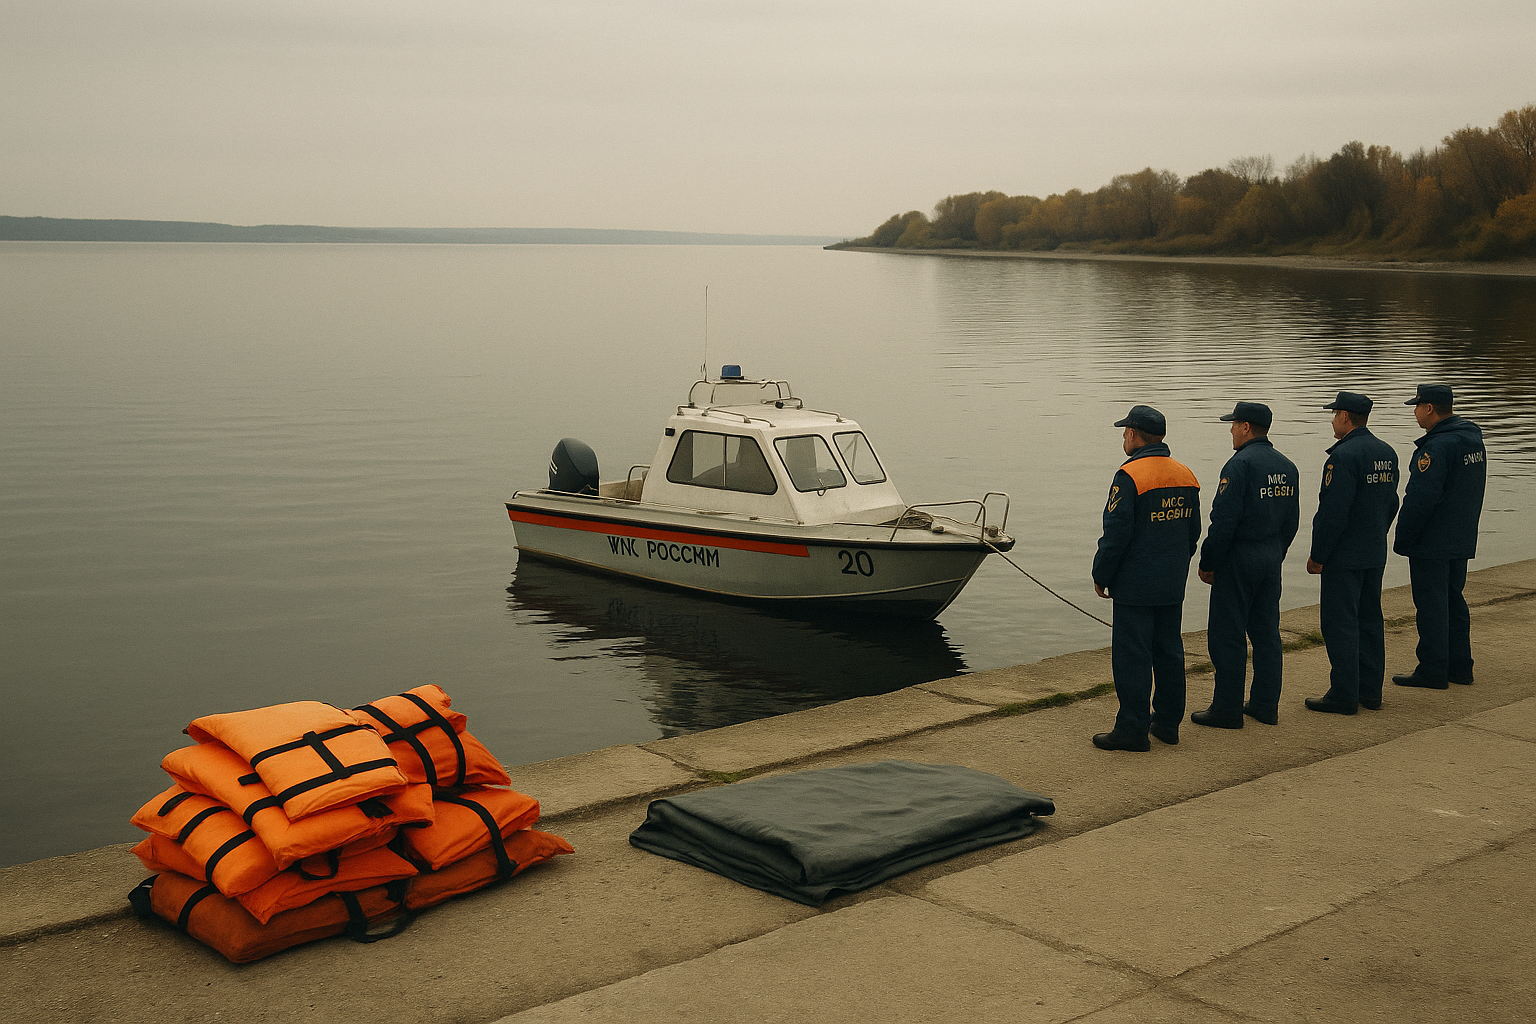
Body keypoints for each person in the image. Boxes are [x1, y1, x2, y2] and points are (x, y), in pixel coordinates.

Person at [1091, 404, 1201, 751]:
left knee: (1133, 657)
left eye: (1125, 432)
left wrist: (1101, 574)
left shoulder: (1130, 476)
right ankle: (1167, 724)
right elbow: (1193, 532)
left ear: (1133, 434)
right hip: (1172, 582)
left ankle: (1132, 729)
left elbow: (1116, 534)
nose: (1123, 437)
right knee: (1169, 652)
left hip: (1135, 585)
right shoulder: (1185, 474)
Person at [1192, 402, 1300, 729]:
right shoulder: (1288, 466)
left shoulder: (1239, 465)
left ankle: (1227, 709)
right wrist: (1276, 553)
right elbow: (1291, 521)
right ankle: (1266, 705)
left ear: (1246, 427)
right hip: (1270, 556)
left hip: (1239, 559)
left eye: (1234, 424)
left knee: (1228, 635)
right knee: (1267, 634)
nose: (1231, 430)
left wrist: (1209, 562)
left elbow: (1223, 522)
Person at [1304, 392, 1399, 714]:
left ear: (1345, 416)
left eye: (1334, 414)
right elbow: (1391, 502)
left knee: (1341, 623)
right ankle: (1370, 691)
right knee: (1370, 620)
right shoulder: (1386, 452)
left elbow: (1333, 513)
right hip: (1374, 550)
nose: (1332, 420)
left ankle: (1344, 694)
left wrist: (1318, 555)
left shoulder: (1342, 457)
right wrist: (1376, 533)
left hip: (1344, 556)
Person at [1392, 384, 1487, 689]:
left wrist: (1403, 538)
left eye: (1417, 406)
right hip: (1461, 537)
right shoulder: (1471, 439)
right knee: (1453, 601)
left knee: (1432, 606)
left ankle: (1432, 670)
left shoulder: (1435, 447)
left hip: (1432, 541)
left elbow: (1421, 498)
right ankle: (1460, 667)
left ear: (1429, 408)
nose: (1415, 412)